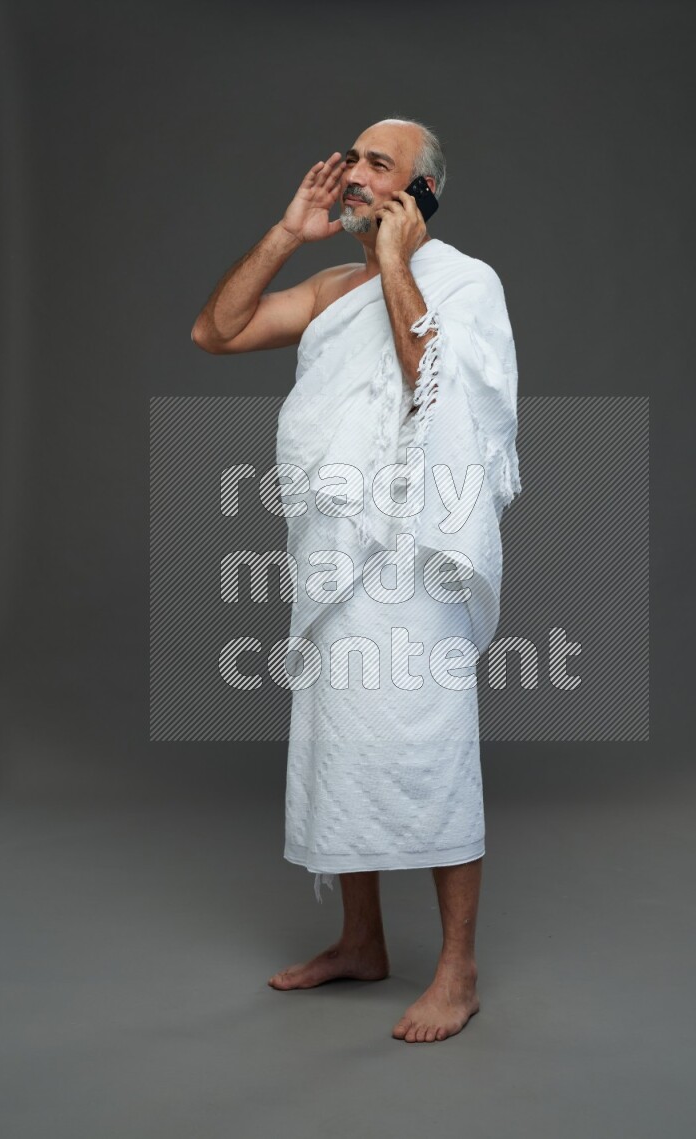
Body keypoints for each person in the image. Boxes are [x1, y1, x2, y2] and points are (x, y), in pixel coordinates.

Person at [191, 117, 520, 1043]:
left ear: (421, 193)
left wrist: (398, 260)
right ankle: (362, 940)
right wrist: (287, 234)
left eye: (380, 164)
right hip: (334, 549)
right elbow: (216, 330)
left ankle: (457, 969)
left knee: (432, 745)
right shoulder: (332, 287)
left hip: (418, 555)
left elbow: (431, 385)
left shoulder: (465, 283)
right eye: (355, 160)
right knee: (341, 744)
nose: (354, 175)